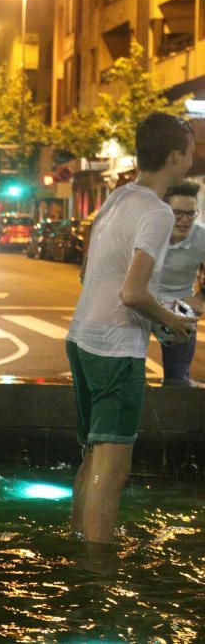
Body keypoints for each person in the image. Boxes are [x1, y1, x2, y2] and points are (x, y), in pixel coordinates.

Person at [66, 112, 197, 544]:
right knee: (114, 465)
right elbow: (132, 292)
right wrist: (171, 320)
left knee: (93, 456)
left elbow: (89, 274)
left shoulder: (118, 197)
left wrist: (152, 314)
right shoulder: (157, 213)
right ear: (175, 156)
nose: (194, 153)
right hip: (115, 348)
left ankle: (80, 544)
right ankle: (98, 571)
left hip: (82, 337)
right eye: (190, 146)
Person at [158, 181, 205, 385]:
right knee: (128, 377)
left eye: (191, 214)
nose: (185, 220)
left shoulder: (200, 236)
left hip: (178, 311)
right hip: (140, 308)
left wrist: (200, 298)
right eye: (177, 213)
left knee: (177, 380)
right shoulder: (149, 233)